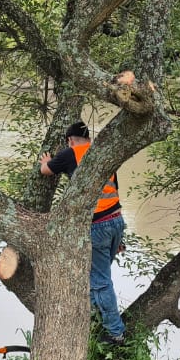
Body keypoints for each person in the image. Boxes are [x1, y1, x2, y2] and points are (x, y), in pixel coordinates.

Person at [39, 120, 127, 344]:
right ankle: (98, 318)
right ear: (89, 138)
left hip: (97, 226)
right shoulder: (103, 153)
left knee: (99, 280)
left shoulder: (70, 153)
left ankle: (115, 332)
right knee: (96, 275)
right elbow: (114, 189)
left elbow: (45, 171)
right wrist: (119, 238)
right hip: (117, 221)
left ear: (70, 140)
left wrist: (46, 161)